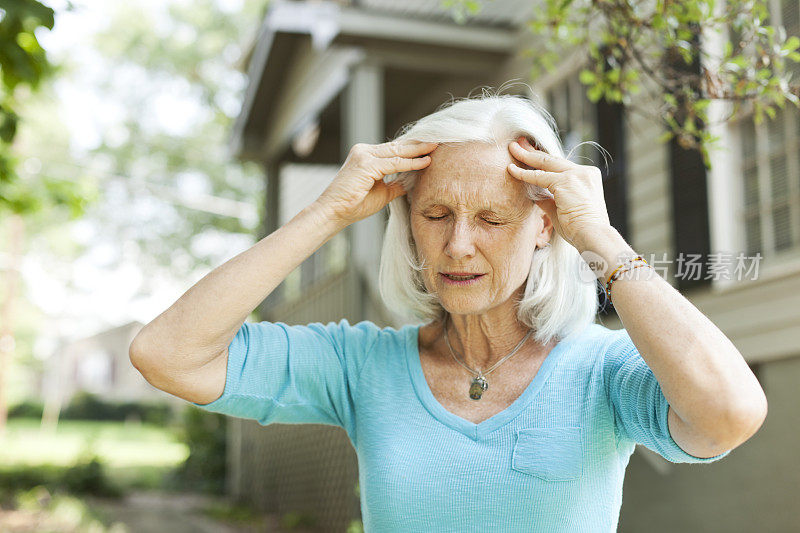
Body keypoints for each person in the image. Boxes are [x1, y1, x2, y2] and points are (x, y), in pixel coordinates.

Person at [129, 91, 768, 531]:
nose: (458, 246)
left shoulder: (603, 369)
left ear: (545, 226)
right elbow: (167, 355)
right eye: (435, 215)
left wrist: (601, 241)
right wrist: (326, 214)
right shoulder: (363, 365)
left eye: (492, 218)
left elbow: (728, 414)